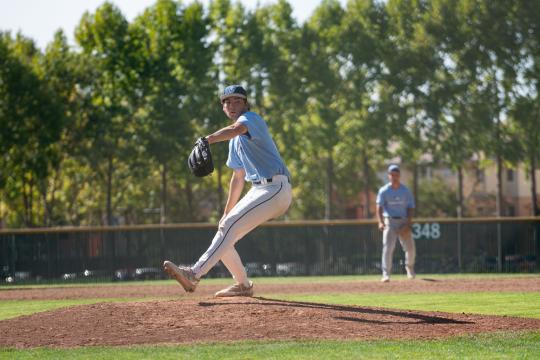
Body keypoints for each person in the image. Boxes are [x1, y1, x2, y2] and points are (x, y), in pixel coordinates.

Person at [163, 85, 292, 297]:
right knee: (225, 229)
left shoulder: (251, 119)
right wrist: (226, 212)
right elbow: (238, 178)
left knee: (229, 228)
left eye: (237, 101)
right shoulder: (234, 144)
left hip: (275, 188)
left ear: (245, 104)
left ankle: (193, 274)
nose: (232, 105)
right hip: (259, 189)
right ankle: (243, 285)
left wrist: (208, 139)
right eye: (227, 102)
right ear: (223, 107)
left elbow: (236, 129)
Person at [376, 164, 416, 282]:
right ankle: (386, 274)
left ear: (399, 176)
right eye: (392, 175)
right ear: (388, 176)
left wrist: (408, 224)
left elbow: (411, 207)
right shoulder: (384, 190)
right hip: (390, 221)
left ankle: (409, 269)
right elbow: (379, 207)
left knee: (410, 248)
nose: (394, 177)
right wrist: (380, 222)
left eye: (396, 175)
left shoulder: (405, 190)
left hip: (403, 221)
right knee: (388, 247)